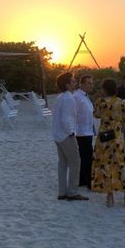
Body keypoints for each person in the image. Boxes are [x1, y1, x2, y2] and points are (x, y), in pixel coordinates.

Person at [91, 78, 125, 207]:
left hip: (104, 137)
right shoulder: (122, 103)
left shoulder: (100, 102)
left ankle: (110, 197)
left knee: (106, 166)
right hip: (117, 137)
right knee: (120, 165)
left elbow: (96, 115)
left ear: (104, 89)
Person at [52, 72, 88, 201]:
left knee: (62, 163)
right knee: (75, 163)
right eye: (73, 81)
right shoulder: (68, 98)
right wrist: (71, 133)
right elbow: (66, 119)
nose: (75, 83)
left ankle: (62, 192)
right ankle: (72, 192)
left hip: (57, 135)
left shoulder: (60, 97)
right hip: (66, 135)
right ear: (67, 85)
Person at [74, 75, 95, 188]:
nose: (91, 85)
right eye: (88, 83)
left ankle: (82, 180)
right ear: (81, 84)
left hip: (88, 131)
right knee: (87, 157)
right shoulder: (77, 97)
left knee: (85, 157)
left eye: (92, 83)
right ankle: (87, 181)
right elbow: (73, 115)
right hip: (81, 132)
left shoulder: (86, 97)